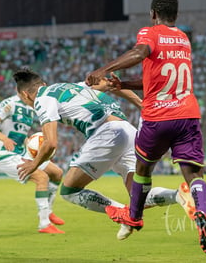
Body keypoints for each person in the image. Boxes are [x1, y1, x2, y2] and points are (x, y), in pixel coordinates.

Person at [86, 0, 206, 255]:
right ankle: (201, 212)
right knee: (193, 174)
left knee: (143, 168)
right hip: (188, 114)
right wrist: (125, 85)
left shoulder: (151, 32)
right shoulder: (183, 39)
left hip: (158, 117)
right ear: (176, 15)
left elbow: (139, 51)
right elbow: (156, 80)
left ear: (153, 13)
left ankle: (134, 216)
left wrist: (104, 69)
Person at [13, 68, 194, 240]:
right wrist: (141, 104)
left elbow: (51, 143)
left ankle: (122, 213)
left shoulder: (42, 99)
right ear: (43, 82)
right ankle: (179, 195)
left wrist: (34, 163)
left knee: (69, 190)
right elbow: (113, 85)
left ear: (25, 94)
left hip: (106, 133)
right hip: (128, 130)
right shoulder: (71, 86)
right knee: (137, 196)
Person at [0, 93, 65, 234]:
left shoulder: (31, 108)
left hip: (22, 152)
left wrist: (33, 146)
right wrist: (4, 139)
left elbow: (21, 132)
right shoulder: (9, 103)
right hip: (7, 154)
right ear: (24, 92)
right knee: (42, 178)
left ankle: (48, 211)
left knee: (57, 173)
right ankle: (44, 224)